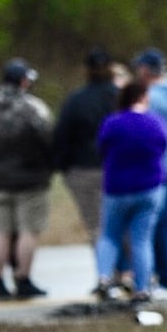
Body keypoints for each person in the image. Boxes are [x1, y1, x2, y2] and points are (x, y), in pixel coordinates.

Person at [0, 57, 53, 300]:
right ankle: (23, 278)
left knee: (1, 231)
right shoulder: (32, 108)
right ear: (23, 81)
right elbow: (47, 140)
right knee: (27, 232)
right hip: (30, 181)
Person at [94, 79, 167, 305]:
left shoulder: (113, 123)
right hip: (149, 188)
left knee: (109, 235)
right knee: (141, 240)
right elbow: (164, 145)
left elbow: (101, 148)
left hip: (117, 188)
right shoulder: (155, 123)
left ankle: (105, 277)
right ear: (143, 96)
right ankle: (142, 287)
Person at [53, 49, 125, 244]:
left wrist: (62, 165)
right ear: (111, 68)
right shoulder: (121, 98)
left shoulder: (76, 100)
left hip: (82, 169)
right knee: (122, 224)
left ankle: (106, 270)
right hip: (117, 169)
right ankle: (127, 270)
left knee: (96, 226)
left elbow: (61, 136)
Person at [135, 49, 167, 302]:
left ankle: (166, 280)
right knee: (166, 224)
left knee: (158, 226)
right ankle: (165, 277)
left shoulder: (153, 98)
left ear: (145, 70)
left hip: (159, 167)